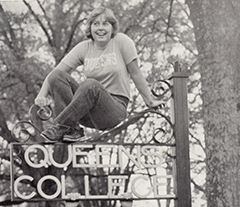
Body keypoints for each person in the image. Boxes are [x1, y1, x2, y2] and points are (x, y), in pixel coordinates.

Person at [35, 6, 162, 143]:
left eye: (105, 23)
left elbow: (136, 73)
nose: (100, 28)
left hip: (114, 110)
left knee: (91, 85)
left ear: (112, 27)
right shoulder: (84, 47)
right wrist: (42, 94)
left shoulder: (121, 41)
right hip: (85, 111)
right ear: (90, 28)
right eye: (96, 24)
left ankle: (60, 126)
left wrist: (149, 101)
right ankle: (73, 130)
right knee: (57, 76)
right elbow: (54, 74)